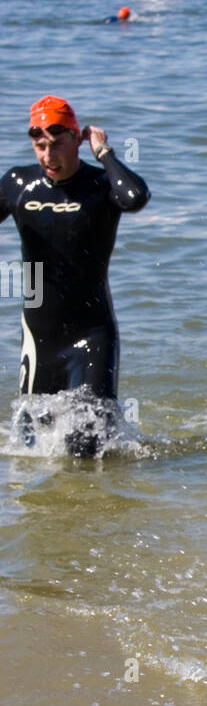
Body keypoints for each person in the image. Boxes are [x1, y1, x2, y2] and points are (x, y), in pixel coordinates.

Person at [0, 96, 150, 455]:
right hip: (38, 333)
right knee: (30, 447)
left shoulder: (100, 186)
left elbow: (135, 197)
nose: (48, 156)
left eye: (57, 145)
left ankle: (95, 506)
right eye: (40, 147)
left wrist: (105, 153)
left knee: (86, 444)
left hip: (91, 333)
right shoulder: (18, 183)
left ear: (77, 140)